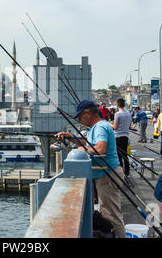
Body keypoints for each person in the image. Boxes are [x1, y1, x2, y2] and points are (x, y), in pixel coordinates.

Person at [55, 100, 126, 238]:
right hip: (106, 175)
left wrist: (83, 150)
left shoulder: (100, 127)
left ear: (87, 113)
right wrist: (71, 137)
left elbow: (100, 148)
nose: (80, 121)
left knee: (112, 216)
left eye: (80, 117)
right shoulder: (99, 126)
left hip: (108, 176)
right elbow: (89, 143)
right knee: (107, 213)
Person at [111, 98, 132, 176]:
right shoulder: (129, 113)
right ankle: (127, 172)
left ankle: (121, 172)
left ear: (117, 104)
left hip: (118, 137)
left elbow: (115, 127)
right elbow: (130, 126)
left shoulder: (117, 114)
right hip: (126, 137)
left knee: (119, 155)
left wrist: (110, 124)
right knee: (125, 154)